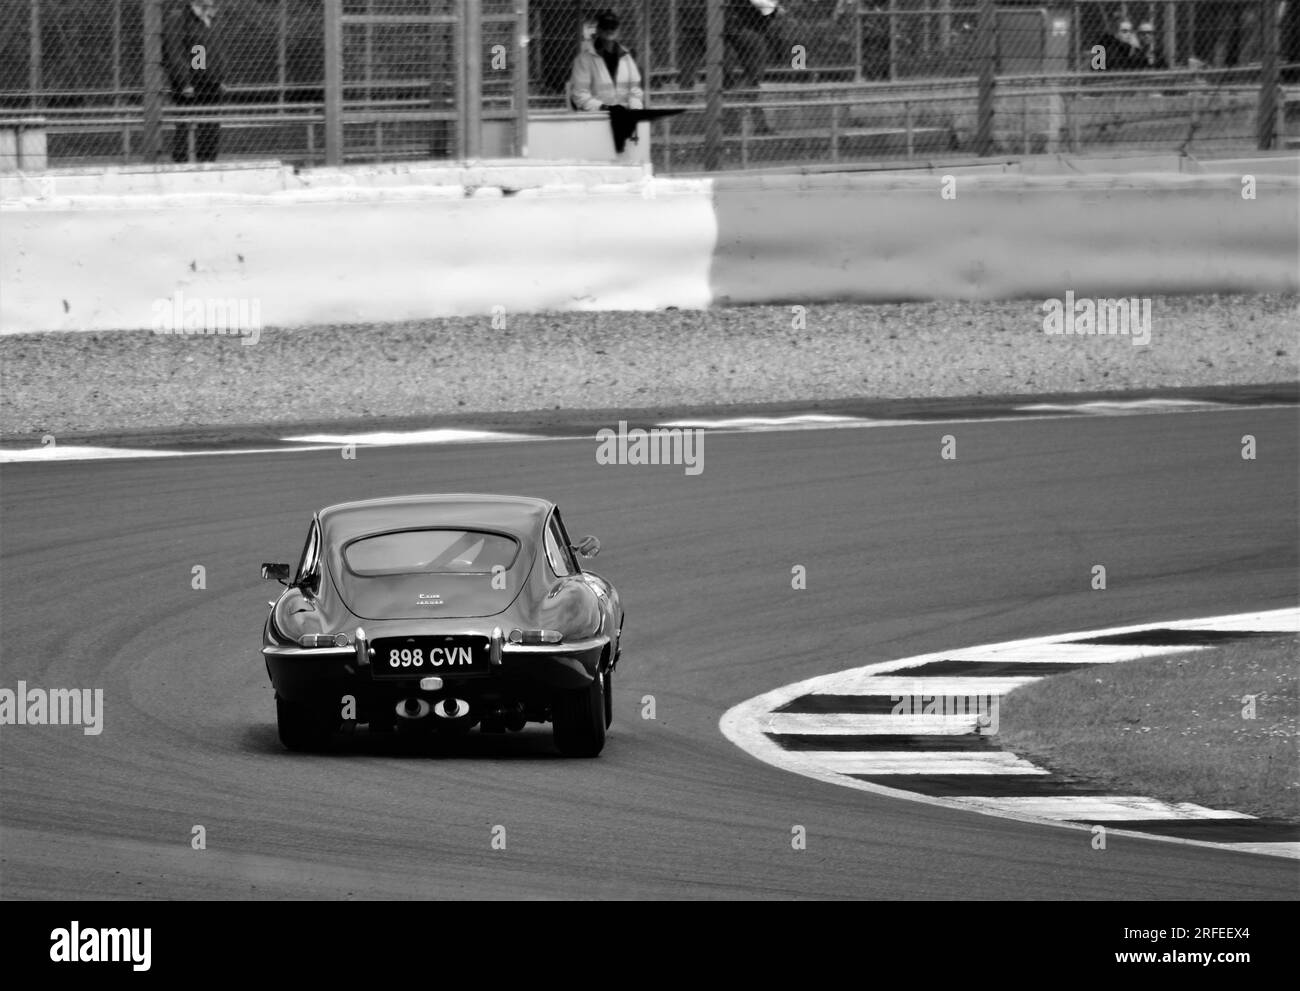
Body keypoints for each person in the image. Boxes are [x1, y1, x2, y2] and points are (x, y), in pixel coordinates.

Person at [163, 0, 225, 163]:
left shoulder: (211, 17)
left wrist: (220, 78)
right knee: (185, 125)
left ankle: (207, 163)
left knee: (210, 127)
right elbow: (175, 52)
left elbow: (216, 52)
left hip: (210, 82)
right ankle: (182, 164)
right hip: (190, 83)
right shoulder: (179, 18)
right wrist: (184, 82)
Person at [569, 11, 644, 113]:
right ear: (598, 30)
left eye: (613, 26)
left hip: (624, 118)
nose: (609, 30)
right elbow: (580, 96)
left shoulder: (627, 58)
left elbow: (635, 92)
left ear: (618, 30)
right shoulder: (584, 60)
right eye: (605, 26)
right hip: (596, 118)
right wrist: (605, 108)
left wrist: (635, 110)